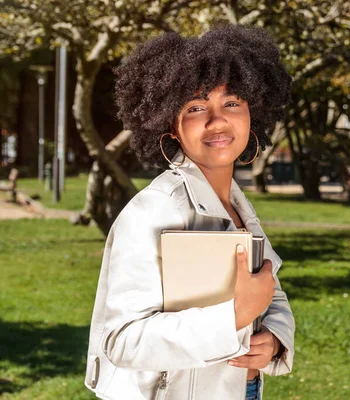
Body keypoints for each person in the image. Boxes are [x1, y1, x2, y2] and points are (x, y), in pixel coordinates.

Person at [84, 25, 295, 400]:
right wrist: (234, 317)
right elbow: (121, 340)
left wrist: (276, 339)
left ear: (252, 114)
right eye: (196, 108)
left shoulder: (235, 202)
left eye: (232, 103)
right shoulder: (155, 209)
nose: (217, 121)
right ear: (171, 125)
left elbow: (266, 288)